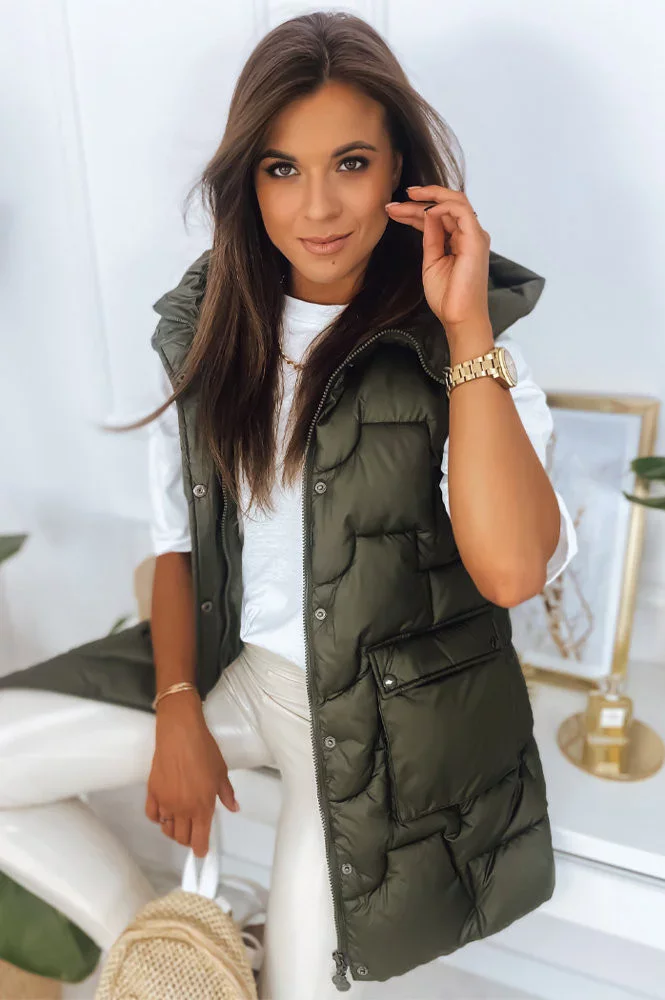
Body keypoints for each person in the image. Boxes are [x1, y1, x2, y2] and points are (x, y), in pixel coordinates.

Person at [0, 10, 578, 998]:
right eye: (281, 168)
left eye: (349, 163)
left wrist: (466, 328)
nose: (316, 205)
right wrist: (177, 709)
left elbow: (512, 571)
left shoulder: (462, 350)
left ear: (399, 168)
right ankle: (193, 957)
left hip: (369, 721)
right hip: (234, 672)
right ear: (249, 180)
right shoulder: (208, 331)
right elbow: (179, 547)